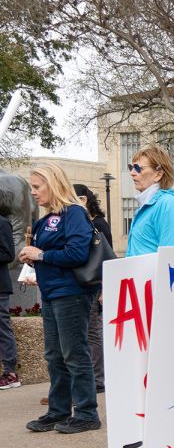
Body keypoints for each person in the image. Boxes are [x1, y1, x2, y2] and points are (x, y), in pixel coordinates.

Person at [18, 163, 101, 433]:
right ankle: (59, 410)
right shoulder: (46, 219)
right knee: (55, 355)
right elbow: (53, 254)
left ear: (53, 184)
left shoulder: (74, 213)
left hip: (72, 293)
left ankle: (87, 412)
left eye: (37, 186)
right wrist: (33, 257)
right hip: (53, 293)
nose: (33, 192)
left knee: (74, 354)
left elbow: (77, 253)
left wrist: (40, 255)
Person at [74, 184, 111, 392]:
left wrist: (105, 287)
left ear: (83, 200)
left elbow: (106, 255)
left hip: (96, 283)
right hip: (86, 283)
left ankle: (98, 378)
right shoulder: (85, 222)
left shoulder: (98, 224)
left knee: (94, 332)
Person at [124, 144, 174, 257]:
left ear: (158, 174)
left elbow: (172, 260)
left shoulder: (169, 205)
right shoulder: (148, 205)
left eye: (138, 168)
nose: (132, 173)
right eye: (131, 167)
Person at [0, 205, 19, 389]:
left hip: (0, 287)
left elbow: (8, 253)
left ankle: (11, 372)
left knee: (2, 327)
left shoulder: (2, 223)